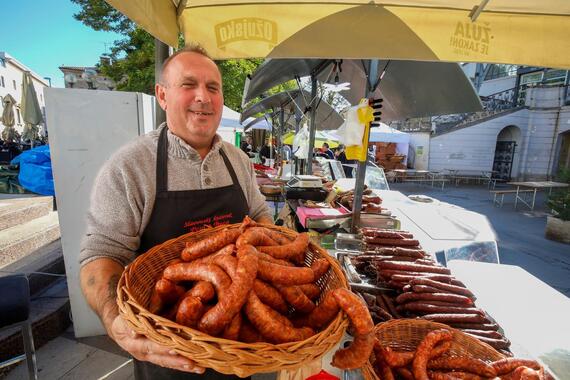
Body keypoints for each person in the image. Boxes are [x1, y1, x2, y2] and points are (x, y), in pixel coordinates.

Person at [79, 45, 273, 380]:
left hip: (240, 350)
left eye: (213, 87)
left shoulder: (238, 161)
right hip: (166, 353)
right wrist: (116, 323)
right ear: (162, 95)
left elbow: (259, 216)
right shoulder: (130, 167)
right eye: (188, 85)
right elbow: (101, 254)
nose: (204, 97)